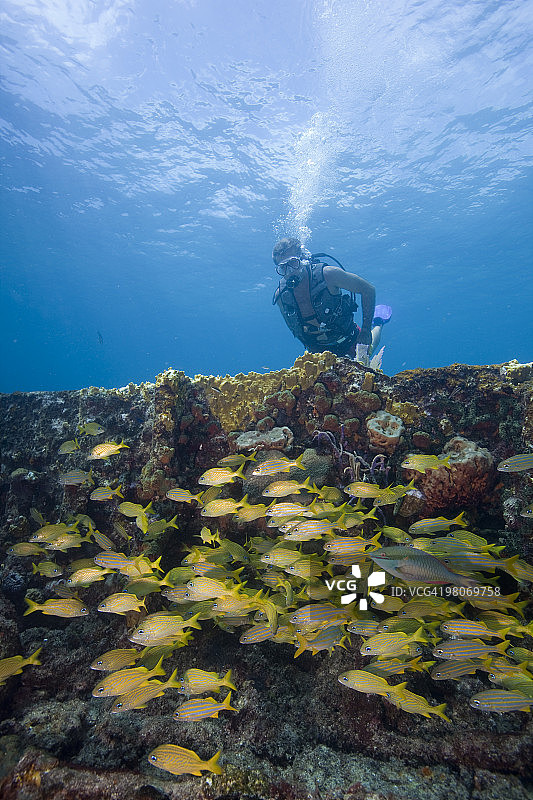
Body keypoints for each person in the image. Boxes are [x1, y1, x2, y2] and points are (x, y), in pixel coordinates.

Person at [272, 237, 391, 364]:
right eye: (283, 268)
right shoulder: (281, 296)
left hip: (349, 340)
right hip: (319, 352)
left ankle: (378, 323)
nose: (289, 272)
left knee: (369, 348)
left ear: (303, 259)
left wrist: (366, 330)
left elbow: (368, 289)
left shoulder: (328, 275)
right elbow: (295, 328)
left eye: (293, 263)